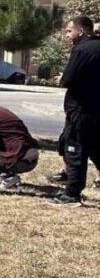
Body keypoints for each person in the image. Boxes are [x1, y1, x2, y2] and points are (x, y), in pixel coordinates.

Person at [49, 16, 100, 206]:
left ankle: (71, 194)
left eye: (69, 31)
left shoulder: (82, 49)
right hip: (96, 109)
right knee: (96, 148)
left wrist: (62, 78)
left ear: (81, 30)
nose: (67, 36)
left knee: (75, 149)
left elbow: (69, 79)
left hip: (81, 109)